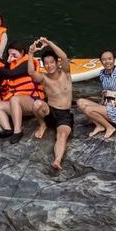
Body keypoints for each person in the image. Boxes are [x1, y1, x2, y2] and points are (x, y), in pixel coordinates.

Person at [28, 37, 77, 169]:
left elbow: (64, 56)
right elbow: (31, 72)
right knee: (37, 104)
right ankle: (43, 124)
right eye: (46, 63)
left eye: (52, 62)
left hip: (64, 114)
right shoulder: (44, 78)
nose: (49, 65)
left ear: (57, 63)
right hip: (50, 111)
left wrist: (49, 43)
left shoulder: (66, 73)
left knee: (61, 135)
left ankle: (57, 160)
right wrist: (31, 53)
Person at [76, 44, 116, 139]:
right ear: (101, 61)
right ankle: (100, 125)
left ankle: (110, 127)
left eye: (110, 59)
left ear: (114, 60)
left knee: (88, 109)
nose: (107, 62)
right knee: (80, 102)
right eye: (104, 59)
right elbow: (105, 92)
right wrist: (99, 105)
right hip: (106, 107)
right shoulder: (102, 73)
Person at [0, 46, 41, 136]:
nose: (12, 56)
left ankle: (17, 131)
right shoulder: (12, 65)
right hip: (17, 105)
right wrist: (7, 63)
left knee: (15, 99)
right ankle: (7, 129)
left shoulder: (28, 63)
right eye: (9, 54)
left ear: (22, 52)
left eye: (13, 54)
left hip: (32, 101)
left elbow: (11, 74)